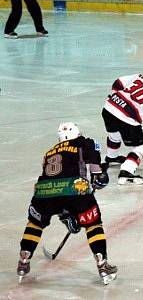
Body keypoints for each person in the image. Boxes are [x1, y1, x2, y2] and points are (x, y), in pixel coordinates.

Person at [17, 122, 116, 285]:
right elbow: (96, 170)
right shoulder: (84, 142)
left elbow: (57, 183)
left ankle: (24, 258)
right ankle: (102, 263)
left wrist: (67, 215)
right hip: (75, 188)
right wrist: (99, 178)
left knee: (35, 224)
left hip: (43, 192)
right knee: (93, 225)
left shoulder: (50, 152)